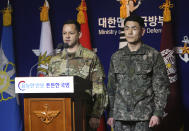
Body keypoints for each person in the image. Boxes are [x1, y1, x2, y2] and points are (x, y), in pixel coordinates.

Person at [107, 15, 170, 131]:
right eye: (126, 28)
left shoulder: (153, 55)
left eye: (134, 28)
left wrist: (157, 113)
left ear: (142, 31)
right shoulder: (116, 57)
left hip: (145, 117)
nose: (130, 32)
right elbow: (111, 88)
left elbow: (161, 88)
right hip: (120, 117)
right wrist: (110, 113)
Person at [47, 20, 107, 130]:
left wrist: (96, 115)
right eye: (64, 33)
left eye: (71, 33)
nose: (67, 36)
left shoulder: (90, 57)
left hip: (84, 113)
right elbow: (48, 87)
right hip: (57, 115)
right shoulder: (54, 59)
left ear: (79, 34)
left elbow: (99, 88)